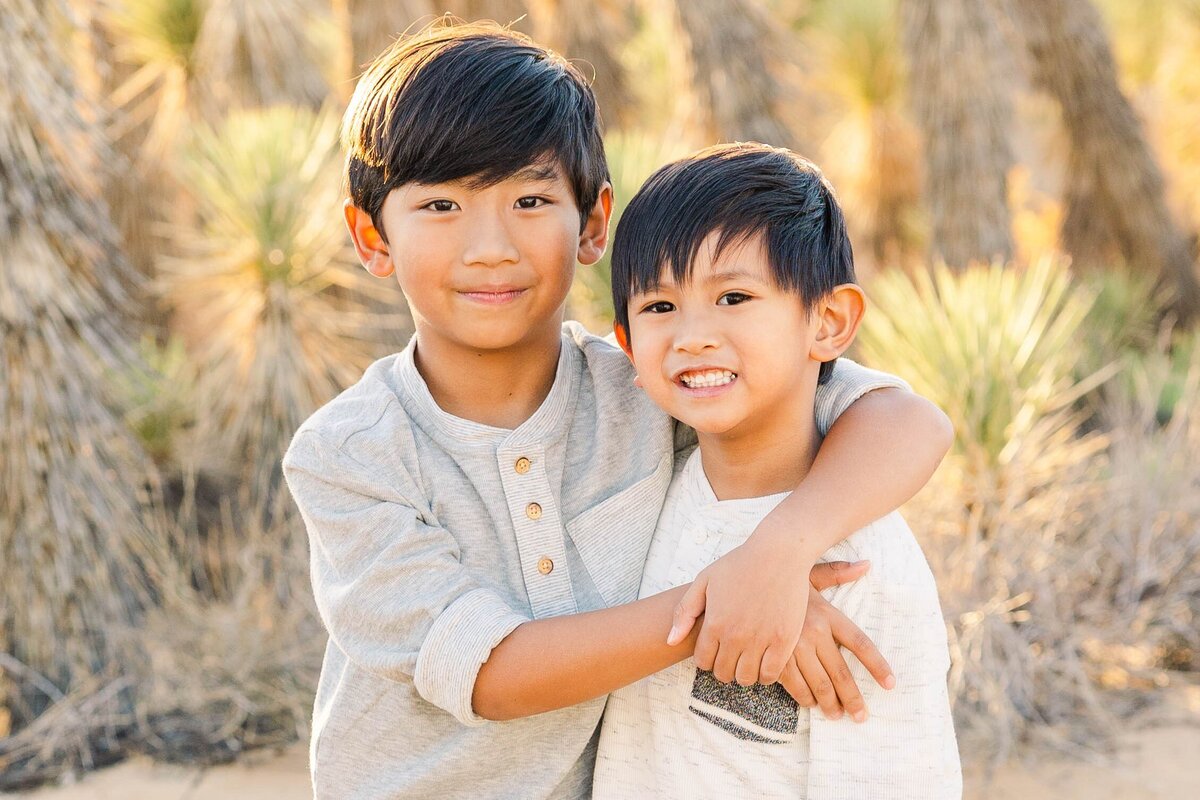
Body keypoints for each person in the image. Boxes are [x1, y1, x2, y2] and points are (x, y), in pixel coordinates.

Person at [282, 21, 953, 800]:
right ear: (372, 237)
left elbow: (907, 422)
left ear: (594, 223)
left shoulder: (649, 384)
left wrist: (777, 553)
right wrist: (727, 610)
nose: (490, 246)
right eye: (440, 206)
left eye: (531, 199)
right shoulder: (350, 453)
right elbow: (488, 673)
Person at [593, 143, 961, 799]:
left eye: (733, 296)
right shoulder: (650, 481)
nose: (693, 336)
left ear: (828, 321)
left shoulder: (857, 562)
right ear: (626, 345)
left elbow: (893, 775)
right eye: (658, 307)